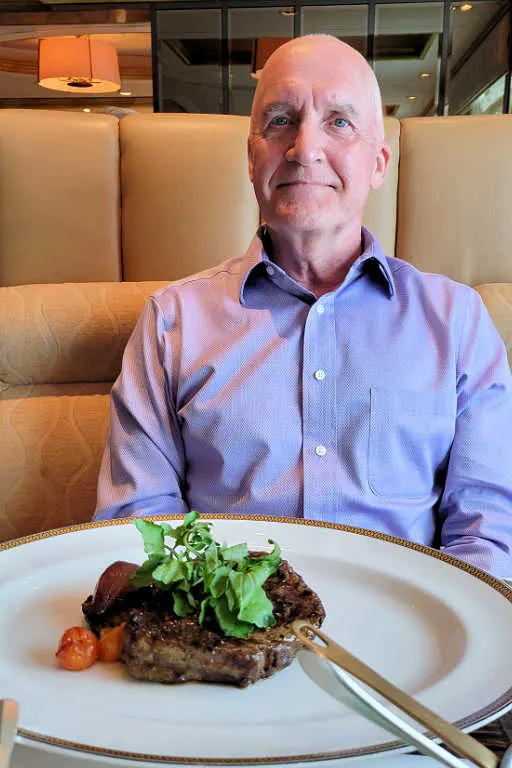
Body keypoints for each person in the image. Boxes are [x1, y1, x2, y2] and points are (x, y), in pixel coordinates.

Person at [94, 34, 512, 578]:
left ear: (379, 162)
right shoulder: (172, 322)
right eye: (280, 120)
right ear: (251, 158)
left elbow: (489, 529)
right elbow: (138, 518)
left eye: (339, 121)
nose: (304, 148)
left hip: (407, 638)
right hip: (222, 645)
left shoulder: (457, 322)